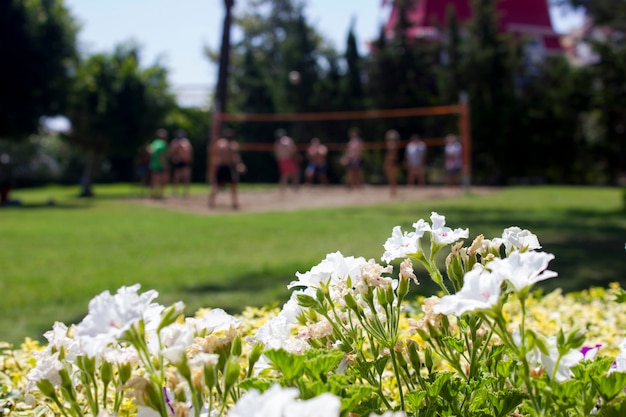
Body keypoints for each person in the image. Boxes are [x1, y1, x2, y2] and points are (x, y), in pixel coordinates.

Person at [208, 128, 246, 209]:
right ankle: (211, 202)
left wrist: (239, 164)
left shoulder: (233, 145)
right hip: (222, 166)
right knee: (217, 185)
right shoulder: (221, 144)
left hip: (230, 167)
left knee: (233, 185)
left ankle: (234, 203)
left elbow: (236, 156)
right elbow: (215, 155)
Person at [168, 129, 193, 197]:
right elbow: (170, 152)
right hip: (178, 161)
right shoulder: (174, 142)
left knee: (186, 177)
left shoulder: (186, 142)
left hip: (185, 162)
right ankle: (175, 191)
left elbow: (189, 151)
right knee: (176, 177)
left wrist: (189, 159)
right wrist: (173, 158)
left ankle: (186, 192)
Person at [149, 128, 169, 199]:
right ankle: (160, 194)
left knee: (154, 180)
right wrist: (164, 164)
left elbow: (150, 151)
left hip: (153, 164)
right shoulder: (163, 144)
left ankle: (153, 194)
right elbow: (161, 155)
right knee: (162, 180)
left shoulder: (154, 142)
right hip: (160, 165)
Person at [383, 129, 401, 196]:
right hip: (392, 161)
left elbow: (391, 154)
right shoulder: (393, 144)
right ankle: (393, 191)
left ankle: (393, 191)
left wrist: (388, 162)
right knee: (391, 178)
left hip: (392, 161)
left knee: (392, 178)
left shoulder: (392, 144)